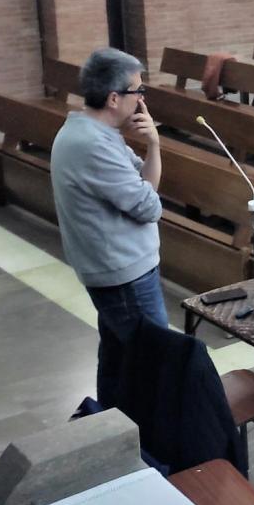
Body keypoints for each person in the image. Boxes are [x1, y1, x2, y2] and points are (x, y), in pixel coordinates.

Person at [50, 48, 164, 408]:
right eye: (138, 90)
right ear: (115, 98)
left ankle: (111, 432)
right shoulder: (92, 145)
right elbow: (149, 207)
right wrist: (150, 162)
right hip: (124, 275)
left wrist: (155, 145)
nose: (143, 99)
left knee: (116, 359)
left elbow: (145, 182)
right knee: (155, 365)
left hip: (115, 270)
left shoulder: (94, 133)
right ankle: (153, 448)